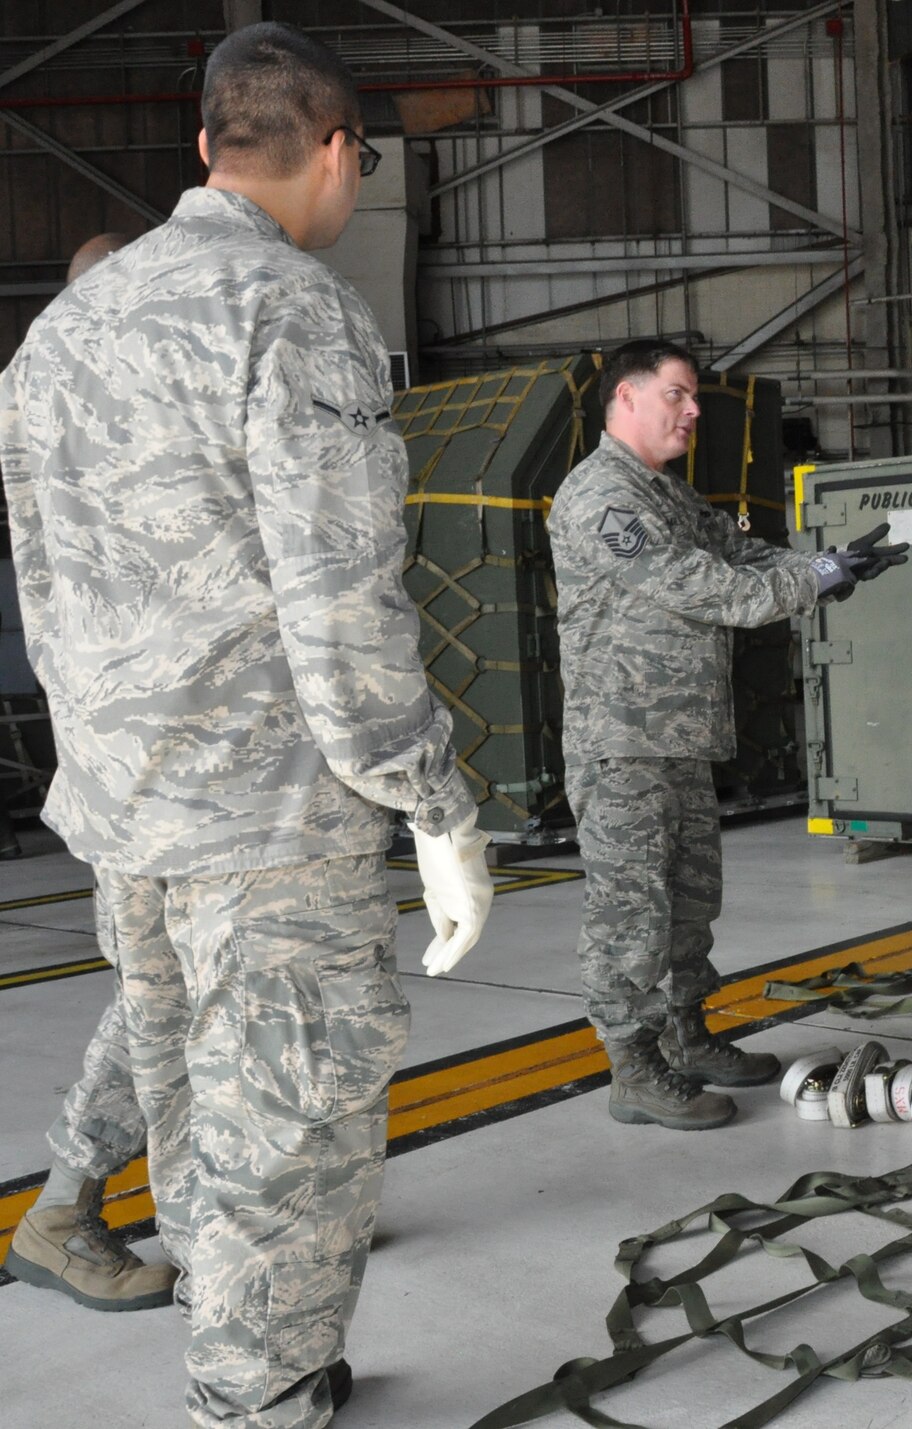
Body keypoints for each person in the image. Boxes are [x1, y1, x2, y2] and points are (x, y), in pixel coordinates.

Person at [0, 23, 493, 1428]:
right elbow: (344, 603)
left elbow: (42, 579)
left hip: (124, 812)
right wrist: (435, 803)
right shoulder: (291, 309)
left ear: (204, 146)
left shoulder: (62, 332)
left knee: (194, 1117)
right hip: (269, 818)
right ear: (338, 151)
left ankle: (250, 1350)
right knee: (288, 1127)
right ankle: (259, 1396)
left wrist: (102, 764)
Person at [548, 338, 907, 1131]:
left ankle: (685, 1035)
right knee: (630, 910)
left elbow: (736, 551)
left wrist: (829, 563)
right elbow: (699, 584)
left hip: (677, 735)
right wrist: (809, 582)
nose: (694, 409)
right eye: (678, 393)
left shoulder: (664, 494)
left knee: (688, 903)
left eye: (694, 395)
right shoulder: (600, 498)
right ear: (628, 398)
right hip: (623, 740)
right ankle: (632, 1067)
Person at [5, 231, 181, 1317]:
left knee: (192, 992)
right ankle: (63, 1210)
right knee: (161, 994)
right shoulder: (79, 418)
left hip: (158, 757)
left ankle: (238, 1208)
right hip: (147, 766)